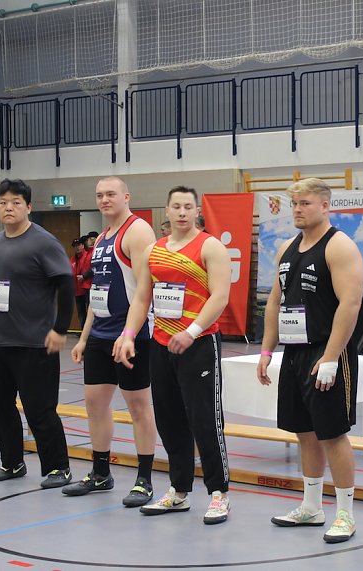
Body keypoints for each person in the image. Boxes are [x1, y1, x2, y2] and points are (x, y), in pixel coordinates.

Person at [114, 186, 232, 524]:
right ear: (166, 210)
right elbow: (141, 298)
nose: (182, 212)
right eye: (176, 206)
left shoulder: (210, 246)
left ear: (196, 211)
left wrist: (191, 332)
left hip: (199, 344)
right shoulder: (154, 250)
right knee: (169, 419)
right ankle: (179, 491)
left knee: (205, 420)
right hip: (161, 345)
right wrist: (127, 335)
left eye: (188, 207)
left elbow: (219, 297)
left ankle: (218, 493)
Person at [257, 178, 363, 544]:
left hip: (326, 350)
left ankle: (346, 513)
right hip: (294, 351)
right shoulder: (286, 247)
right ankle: (311, 506)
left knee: (332, 433)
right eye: (294, 204)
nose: (298, 210)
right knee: (305, 431)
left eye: (305, 203)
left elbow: (350, 305)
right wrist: (267, 350)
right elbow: (275, 300)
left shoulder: (340, 247)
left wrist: (332, 356)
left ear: (324, 206)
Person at [0, 179, 74, 489]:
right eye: (3, 203)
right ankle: (12, 463)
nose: (8, 207)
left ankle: (57, 468)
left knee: (39, 409)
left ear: (29, 207)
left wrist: (59, 329)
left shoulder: (44, 242)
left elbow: (65, 284)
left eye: (15, 202)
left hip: (35, 342)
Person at [62, 176, 158, 507]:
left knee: (138, 407)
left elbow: (145, 290)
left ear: (126, 196)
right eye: (99, 195)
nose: (104, 200)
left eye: (110, 194)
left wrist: (129, 334)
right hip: (101, 336)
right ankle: (100, 473)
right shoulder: (101, 238)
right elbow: (97, 293)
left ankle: (144, 478)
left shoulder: (139, 232)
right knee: (94, 404)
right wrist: (84, 337)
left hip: (132, 337)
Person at [70, 237, 91, 327]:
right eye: (75, 246)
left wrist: (84, 276)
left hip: (87, 288)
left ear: (83, 245)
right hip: (77, 290)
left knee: (91, 312)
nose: (77, 247)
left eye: (79, 245)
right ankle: (84, 333)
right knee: (81, 313)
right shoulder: (72, 259)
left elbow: (93, 270)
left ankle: (92, 334)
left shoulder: (89, 256)